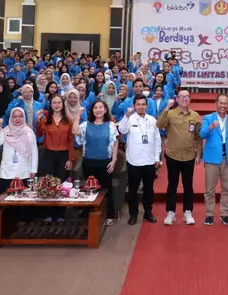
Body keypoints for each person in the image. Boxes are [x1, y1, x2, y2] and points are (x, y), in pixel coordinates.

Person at [156, 87, 202, 226]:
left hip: (189, 156)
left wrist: (199, 154)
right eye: (181, 96)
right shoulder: (170, 114)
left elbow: (198, 137)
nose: (184, 99)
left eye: (187, 96)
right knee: (172, 184)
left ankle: (188, 211)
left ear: (190, 99)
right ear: (176, 99)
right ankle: (171, 212)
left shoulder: (195, 116)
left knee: (188, 185)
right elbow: (159, 124)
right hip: (173, 155)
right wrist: (166, 108)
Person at [74, 100, 119, 226]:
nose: (98, 110)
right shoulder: (85, 125)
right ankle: (90, 213)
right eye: (95, 107)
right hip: (89, 162)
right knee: (90, 188)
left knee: (106, 189)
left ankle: (109, 214)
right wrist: (77, 116)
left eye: (101, 107)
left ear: (105, 110)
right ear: (92, 110)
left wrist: (114, 160)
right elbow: (75, 132)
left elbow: (115, 142)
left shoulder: (110, 125)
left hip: (105, 162)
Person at [119, 94, 162, 225]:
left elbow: (157, 140)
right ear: (134, 106)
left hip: (149, 160)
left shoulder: (152, 120)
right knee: (132, 190)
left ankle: (148, 212)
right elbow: (122, 129)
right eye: (138, 104)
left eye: (143, 104)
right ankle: (133, 214)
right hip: (134, 161)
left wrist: (157, 158)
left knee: (149, 190)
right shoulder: (129, 119)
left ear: (147, 106)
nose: (141, 107)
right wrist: (126, 116)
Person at [199, 94, 228, 226]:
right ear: (216, 104)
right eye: (220, 103)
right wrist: (210, 127)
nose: (223, 105)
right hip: (212, 159)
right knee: (209, 189)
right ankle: (209, 214)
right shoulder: (208, 118)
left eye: (225, 103)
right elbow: (201, 134)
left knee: (227, 189)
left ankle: (225, 214)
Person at [35, 94, 76, 222]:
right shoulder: (45, 120)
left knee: (61, 183)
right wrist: (37, 120)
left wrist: (70, 159)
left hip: (63, 155)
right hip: (48, 154)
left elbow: (71, 141)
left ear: (63, 105)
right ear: (50, 105)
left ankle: (60, 214)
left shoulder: (68, 121)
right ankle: (48, 213)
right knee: (47, 183)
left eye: (59, 102)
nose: (57, 105)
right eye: (54, 103)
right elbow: (39, 134)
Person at [0, 107, 38, 199]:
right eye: (15, 116)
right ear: (11, 118)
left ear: (24, 117)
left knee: (23, 202)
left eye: (20, 116)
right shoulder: (5, 131)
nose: (17, 119)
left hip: (24, 172)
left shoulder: (29, 132)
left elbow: (34, 152)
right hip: (7, 172)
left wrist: (33, 170)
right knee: (5, 201)